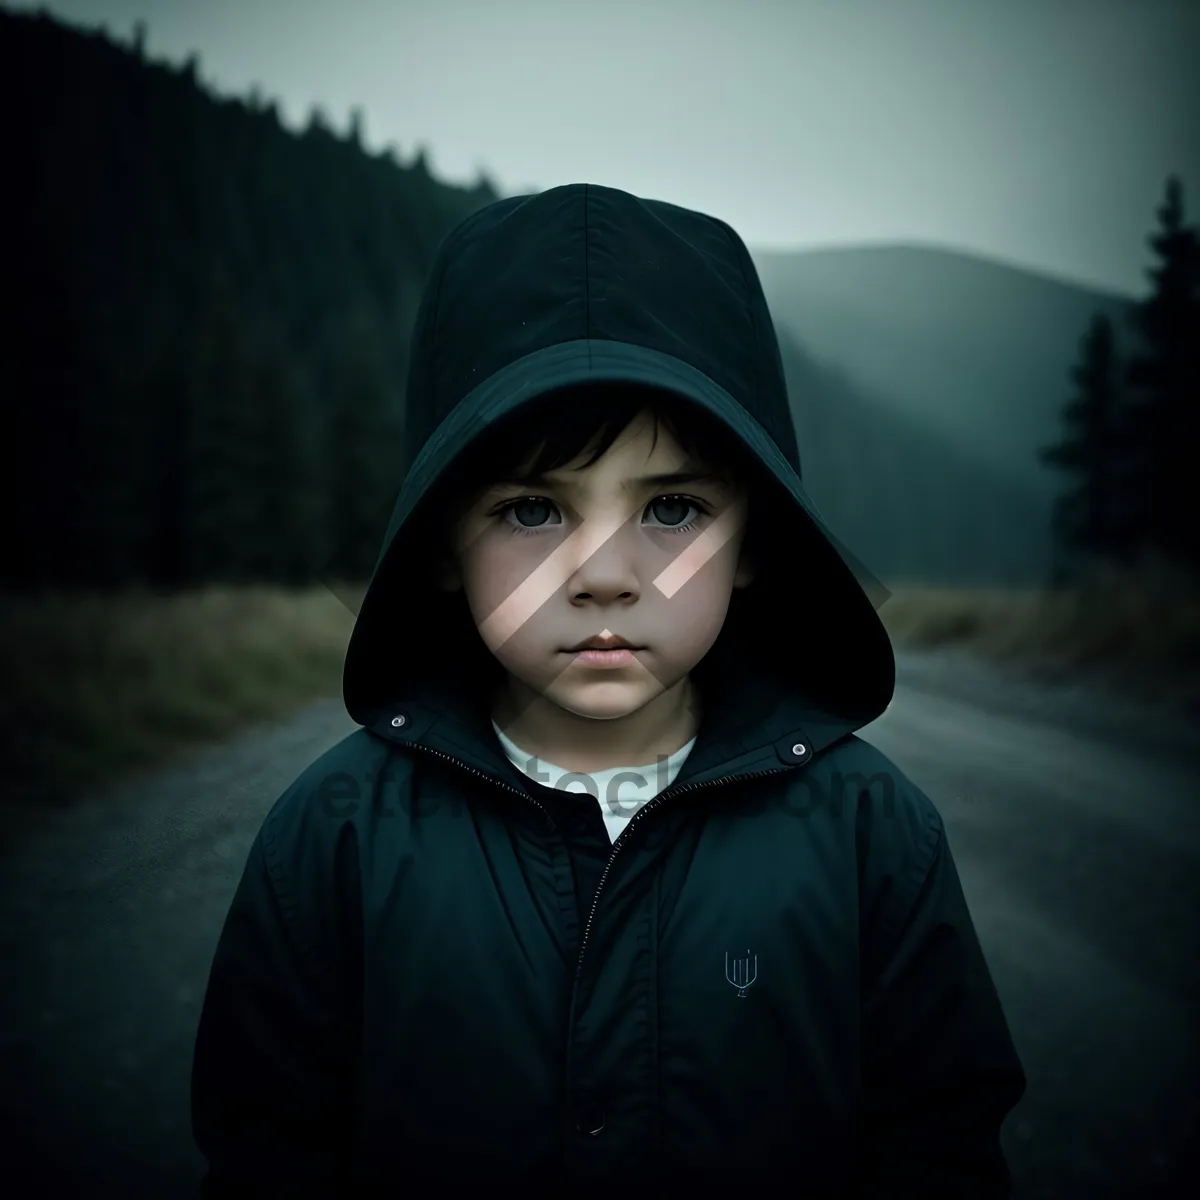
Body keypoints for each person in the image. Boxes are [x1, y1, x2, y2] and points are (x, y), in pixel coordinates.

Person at [191, 182, 1027, 1197]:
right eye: (533, 510)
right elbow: (265, 1154)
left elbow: (941, 1149)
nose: (603, 573)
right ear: (444, 542)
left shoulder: (871, 835)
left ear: (754, 539)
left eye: (671, 507)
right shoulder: (332, 837)